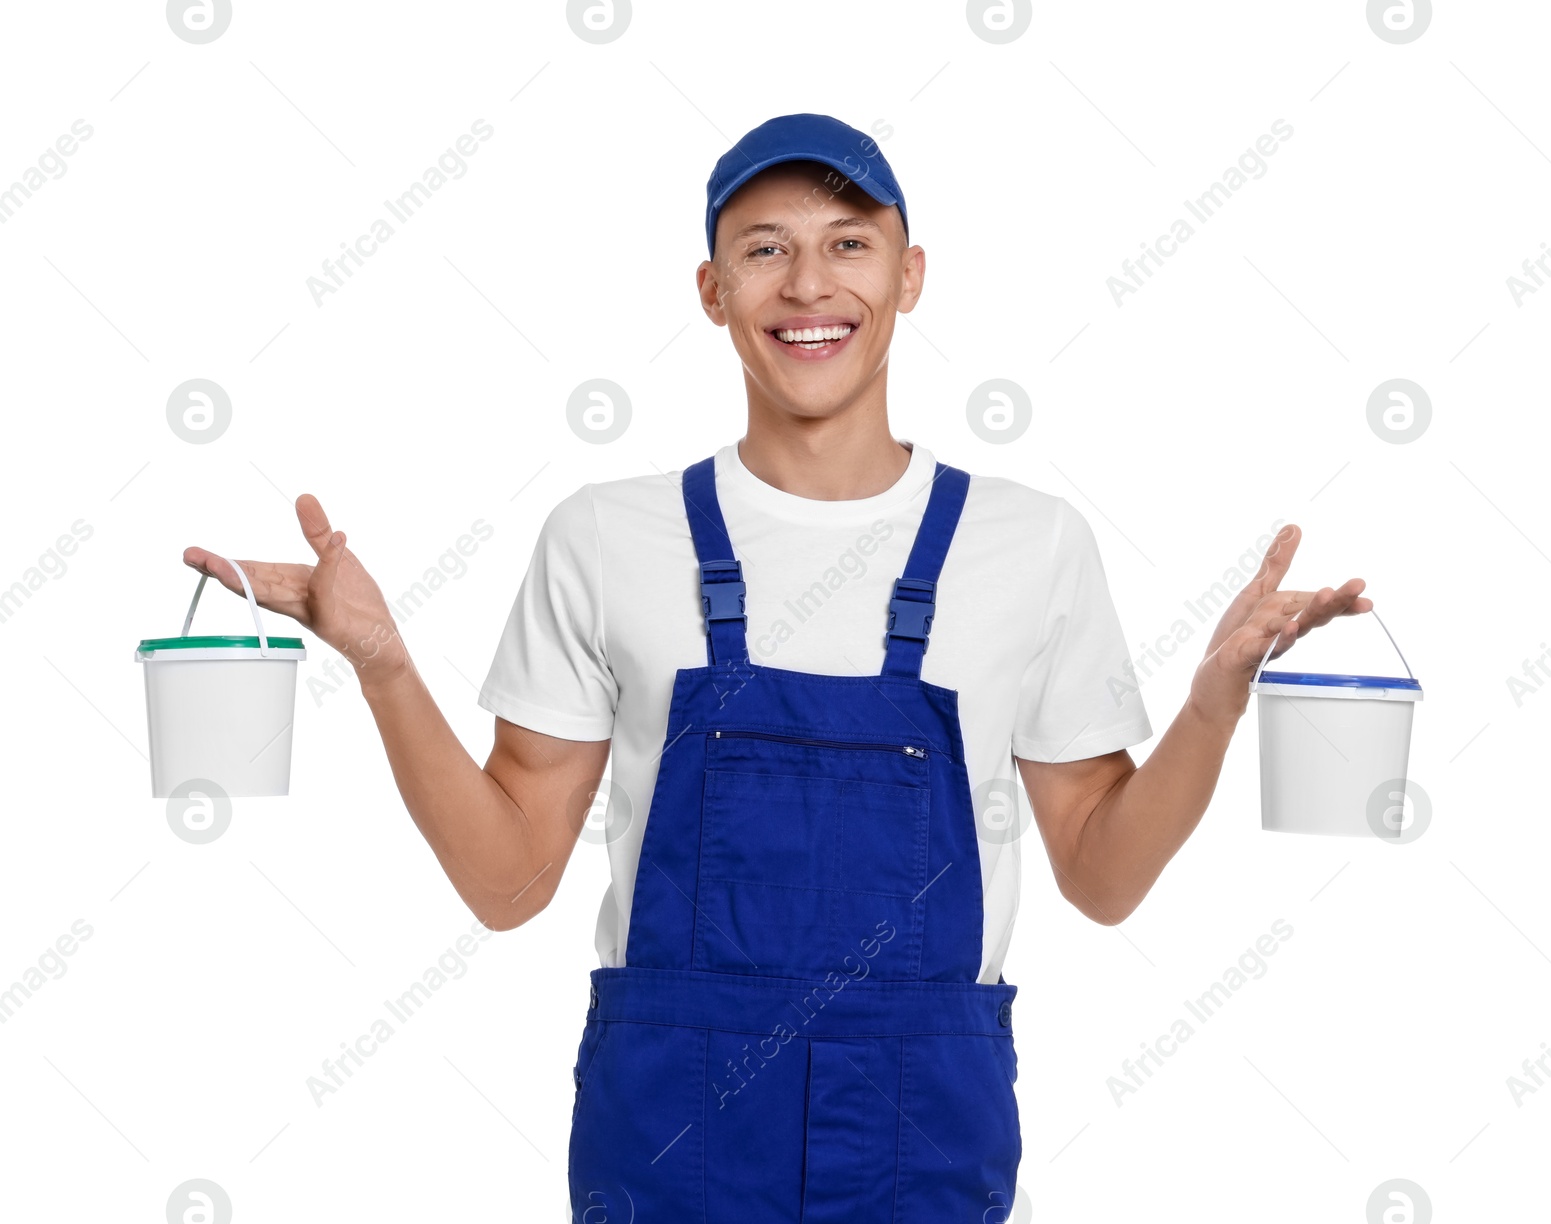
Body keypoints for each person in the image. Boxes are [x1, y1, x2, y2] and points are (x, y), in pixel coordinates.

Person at [183, 113, 1372, 1220]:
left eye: (848, 244)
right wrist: (385, 667)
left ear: (909, 276)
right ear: (713, 290)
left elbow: (1103, 879)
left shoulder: (1030, 544)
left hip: (925, 1128)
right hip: (668, 1134)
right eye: (765, 249)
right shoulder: (605, 536)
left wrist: (1214, 699)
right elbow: (507, 888)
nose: (809, 286)